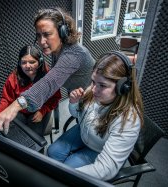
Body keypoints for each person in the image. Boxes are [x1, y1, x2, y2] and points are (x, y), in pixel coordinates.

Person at [0, 8, 94, 133]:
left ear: (63, 32)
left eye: (47, 34)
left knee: (91, 133)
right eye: (38, 35)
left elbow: (49, 82)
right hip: (78, 96)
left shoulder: (75, 54)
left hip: (94, 99)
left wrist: (14, 107)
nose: (41, 41)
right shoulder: (57, 49)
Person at [47, 51, 144, 181]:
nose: (93, 90)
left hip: (99, 148)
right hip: (83, 132)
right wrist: (74, 103)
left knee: (67, 169)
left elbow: (105, 169)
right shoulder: (93, 91)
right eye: (93, 81)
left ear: (123, 87)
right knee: (51, 152)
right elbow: (76, 114)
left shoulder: (128, 120)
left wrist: (66, 176)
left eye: (102, 85)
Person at [0, 45, 61, 136]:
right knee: (13, 134)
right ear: (19, 63)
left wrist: (42, 111)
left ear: (40, 62)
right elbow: (6, 99)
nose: (27, 66)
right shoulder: (13, 78)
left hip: (39, 110)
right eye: (23, 62)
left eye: (32, 62)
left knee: (35, 137)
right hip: (20, 111)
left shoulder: (49, 77)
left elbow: (55, 98)